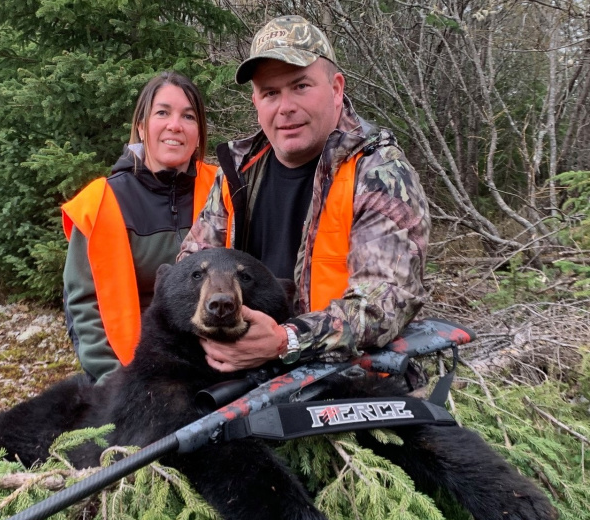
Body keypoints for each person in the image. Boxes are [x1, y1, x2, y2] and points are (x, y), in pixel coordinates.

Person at [179, 15, 430, 377]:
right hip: (246, 374)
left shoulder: (379, 173)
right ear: (256, 101)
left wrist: (288, 340)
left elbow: (385, 302)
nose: (285, 107)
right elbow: (190, 266)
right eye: (270, 93)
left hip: (350, 381)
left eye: (300, 86)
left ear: (336, 88)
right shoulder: (237, 173)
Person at [61, 71, 218, 383]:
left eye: (188, 116)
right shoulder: (102, 201)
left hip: (219, 370)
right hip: (133, 373)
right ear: (142, 127)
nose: (175, 125)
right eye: (163, 112)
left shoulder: (222, 190)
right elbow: (83, 308)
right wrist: (115, 384)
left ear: (199, 133)